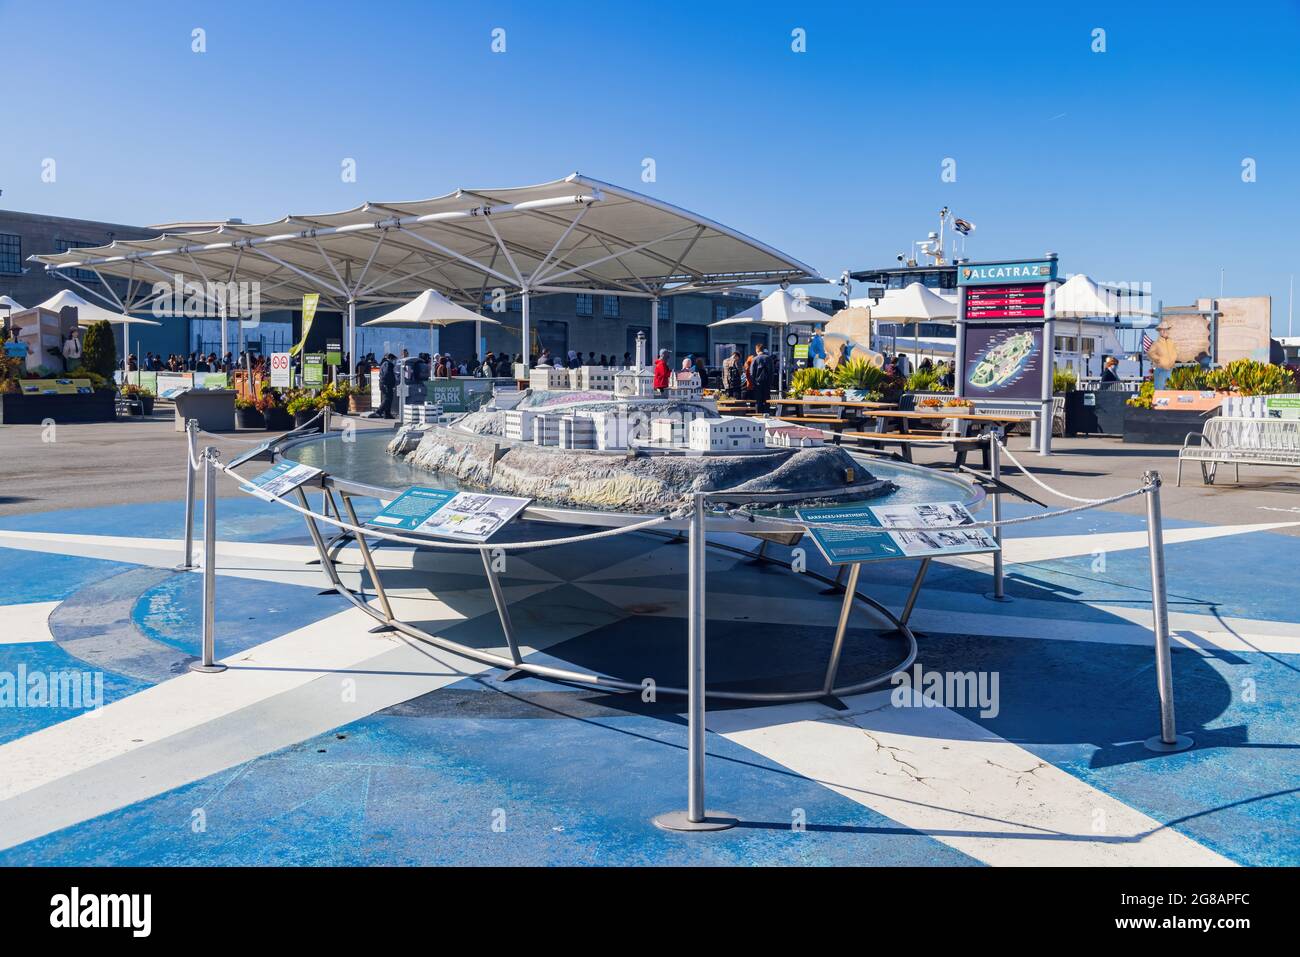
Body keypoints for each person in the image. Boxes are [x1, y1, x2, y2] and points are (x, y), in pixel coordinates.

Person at [750, 342, 776, 414]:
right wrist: (770, 383)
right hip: (767, 384)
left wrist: (753, 383)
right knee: (767, 400)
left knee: (758, 401)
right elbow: (772, 372)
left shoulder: (754, 359)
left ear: (757, 350)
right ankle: (767, 414)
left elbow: (752, 373)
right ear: (763, 350)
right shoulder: (769, 358)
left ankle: (759, 415)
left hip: (758, 384)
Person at [377, 352, 397, 418]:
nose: (395, 362)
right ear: (391, 359)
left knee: (389, 399)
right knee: (387, 399)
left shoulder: (385, 363)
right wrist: (388, 383)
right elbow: (387, 374)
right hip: (386, 384)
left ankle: (387, 414)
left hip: (385, 384)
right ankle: (379, 411)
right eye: (394, 360)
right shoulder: (388, 364)